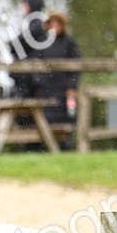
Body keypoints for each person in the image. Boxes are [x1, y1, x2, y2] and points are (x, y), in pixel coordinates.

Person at [42, 11, 82, 147]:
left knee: (67, 119)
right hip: (46, 89)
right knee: (46, 120)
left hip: (64, 89)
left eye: (57, 22)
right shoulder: (42, 43)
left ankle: (66, 146)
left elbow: (76, 67)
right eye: (52, 22)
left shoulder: (70, 43)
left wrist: (72, 86)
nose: (55, 26)